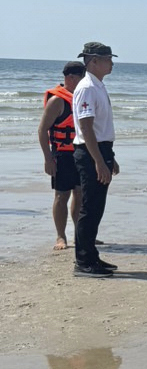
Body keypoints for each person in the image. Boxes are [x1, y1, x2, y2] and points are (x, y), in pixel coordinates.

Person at [71, 42, 120, 277]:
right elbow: (86, 128)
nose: (111, 63)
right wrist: (99, 161)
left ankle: (91, 255)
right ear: (94, 61)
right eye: (108, 59)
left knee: (96, 207)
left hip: (101, 149)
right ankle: (83, 261)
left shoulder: (98, 85)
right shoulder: (87, 87)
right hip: (91, 151)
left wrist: (110, 157)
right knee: (90, 208)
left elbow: (100, 128)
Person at [38, 61, 85, 250]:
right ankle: (60, 236)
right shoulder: (57, 100)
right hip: (62, 155)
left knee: (80, 194)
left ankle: (80, 235)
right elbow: (42, 130)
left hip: (81, 153)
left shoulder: (81, 97)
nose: (84, 82)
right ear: (70, 78)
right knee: (61, 196)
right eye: (82, 78)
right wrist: (48, 159)